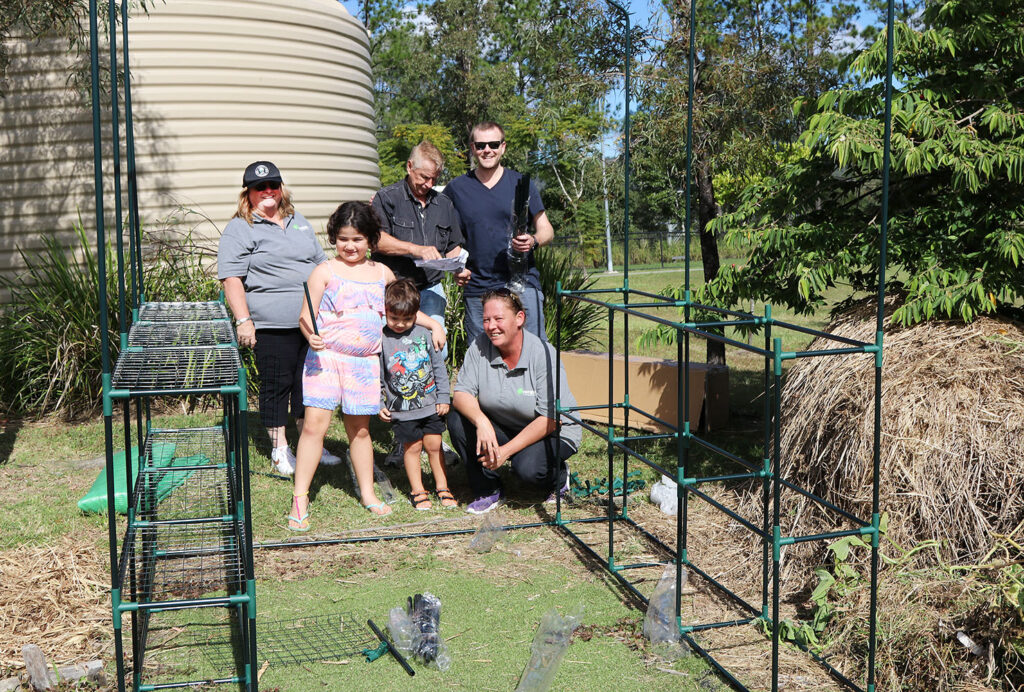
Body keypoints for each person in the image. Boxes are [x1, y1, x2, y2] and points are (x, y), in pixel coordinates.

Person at [287, 202, 444, 530]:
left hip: (364, 364)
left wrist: (434, 325)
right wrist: (309, 335)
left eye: (357, 239)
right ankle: (300, 498)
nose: (350, 246)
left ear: (371, 240)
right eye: (343, 239)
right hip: (326, 359)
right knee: (315, 427)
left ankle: (368, 493)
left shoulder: (382, 273)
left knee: (359, 430)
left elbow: (405, 310)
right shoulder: (324, 271)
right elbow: (305, 315)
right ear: (334, 238)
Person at [217, 160, 341, 475]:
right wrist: (243, 319)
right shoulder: (240, 228)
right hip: (271, 324)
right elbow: (231, 278)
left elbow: (319, 263)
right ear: (249, 193)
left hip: (309, 322)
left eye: (273, 185)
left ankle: (310, 443)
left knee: (308, 385)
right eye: (260, 187)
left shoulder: (298, 220)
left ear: (281, 188)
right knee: (277, 383)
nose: (267, 191)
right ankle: (280, 450)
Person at [448, 289, 581, 514]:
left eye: (499, 319)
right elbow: (461, 393)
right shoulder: (479, 346)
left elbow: (551, 418)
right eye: (486, 320)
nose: (491, 326)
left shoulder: (543, 354)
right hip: (505, 423)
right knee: (457, 418)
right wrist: (482, 422)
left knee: (528, 470)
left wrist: (505, 451)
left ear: (519, 318)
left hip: (551, 430)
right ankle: (488, 488)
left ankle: (558, 476)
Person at [442, 122, 554, 344]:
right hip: (478, 287)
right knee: (482, 359)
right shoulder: (456, 189)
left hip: (523, 283)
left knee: (535, 350)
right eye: (481, 145)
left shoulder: (521, 183)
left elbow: (546, 230)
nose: (487, 150)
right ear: (472, 148)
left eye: (493, 144)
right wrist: (456, 266)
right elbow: (446, 236)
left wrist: (533, 241)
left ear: (503, 147)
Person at [379, 279, 457, 510]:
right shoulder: (381, 339)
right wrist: (378, 401)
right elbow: (377, 375)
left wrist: (444, 397)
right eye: (394, 318)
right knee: (412, 448)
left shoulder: (425, 334)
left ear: (416, 314)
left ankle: (442, 487)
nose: (400, 324)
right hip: (402, 410)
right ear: (385, 313)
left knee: (434, 445)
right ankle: (417, 490)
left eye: (407, 318)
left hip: (431, 406)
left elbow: (439, 369)